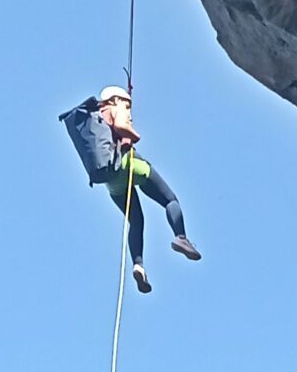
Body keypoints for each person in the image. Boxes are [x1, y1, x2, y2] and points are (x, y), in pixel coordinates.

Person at [70, 85, 201, 294]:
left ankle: (138, 265)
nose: (129, 107)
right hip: (128, 162)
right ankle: (181, 237)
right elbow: (121, 126)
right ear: (116, 99)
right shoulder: (118, 106)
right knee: (170, 199)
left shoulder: (97, 116)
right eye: (127, 103)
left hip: (111, 179)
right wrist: (135, 134)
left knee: (136, 220)